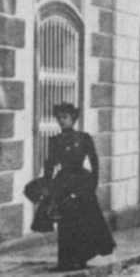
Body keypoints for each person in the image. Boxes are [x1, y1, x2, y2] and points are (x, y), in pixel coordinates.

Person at [43, 103, 115, 271]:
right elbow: (50, 164)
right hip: (63, 184)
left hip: (82, 183)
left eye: (65, 117)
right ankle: (65, 262)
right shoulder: (55, 140)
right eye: (59, 118)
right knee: (65, 223)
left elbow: (94, 161)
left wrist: (93, 184)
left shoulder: (84, 138)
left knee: (83, 222)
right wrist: (47, 184)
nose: (62, 121)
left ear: (73, 119)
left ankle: (82, 259)